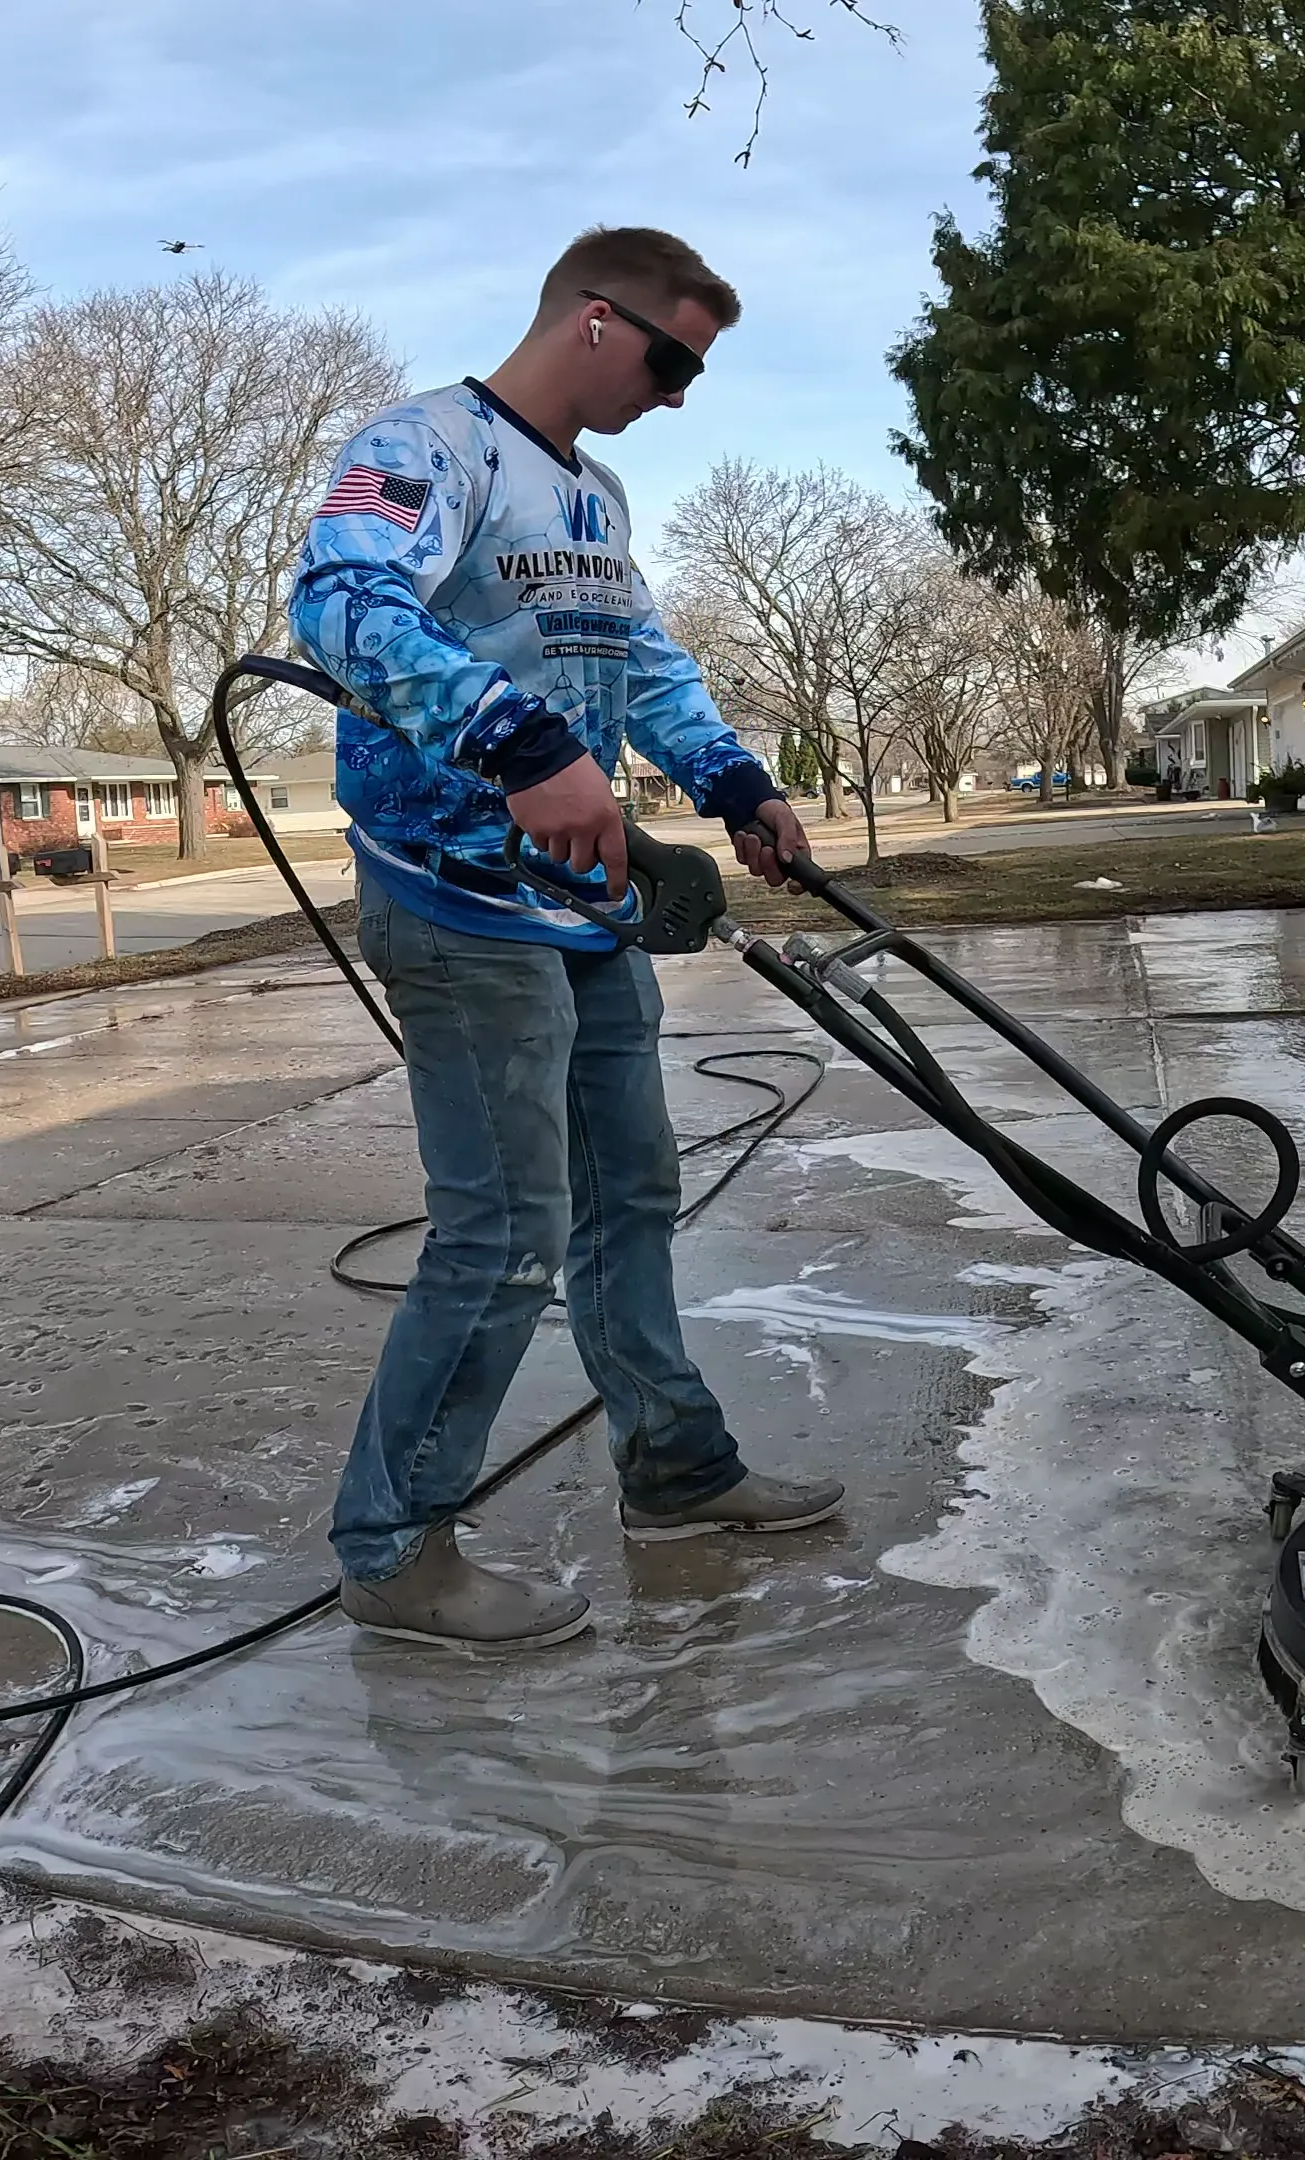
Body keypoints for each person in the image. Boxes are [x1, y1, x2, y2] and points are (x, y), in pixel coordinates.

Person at [291, 226, 832, 1651]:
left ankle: (672, 1465)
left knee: (630, 1198)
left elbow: (640, 661)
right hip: (457, 903)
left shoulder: (595, 498)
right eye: (672, 360)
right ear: (598, 321)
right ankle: (394, 1546)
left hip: (585, 913)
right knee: (503, 1230)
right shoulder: (429, 447)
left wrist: (736, 785)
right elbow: (342, 603)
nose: (678, 391)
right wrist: (514, 737)